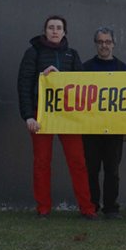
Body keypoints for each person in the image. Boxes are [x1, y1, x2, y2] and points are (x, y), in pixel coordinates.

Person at [17, 15, 96, 219]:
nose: (54, 31)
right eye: (51, 27)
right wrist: (28, 116)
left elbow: (81, 85)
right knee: (42, 162)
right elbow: (24, 85)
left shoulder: (72, 54)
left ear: (64, 32)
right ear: (45, 31)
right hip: (40, 114)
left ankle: (87, 209)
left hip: (68, 116)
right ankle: (43, 208)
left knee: (78, 161)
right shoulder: (33, 52)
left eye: (58, 28)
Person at [82, 27, 126, 220]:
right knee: (91, 170)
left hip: (115, 128)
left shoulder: (123, 69)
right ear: (96, 44)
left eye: (107, 41)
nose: (104, 45)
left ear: (113, 44)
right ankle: (92, 206)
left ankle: (111, 208)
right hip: (90, 128)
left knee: (112, 171)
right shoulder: (84, 68)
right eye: (100, 42)